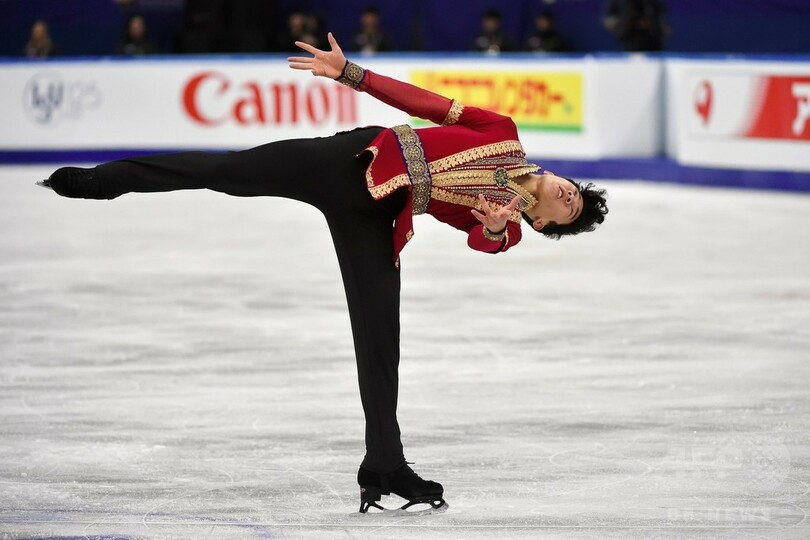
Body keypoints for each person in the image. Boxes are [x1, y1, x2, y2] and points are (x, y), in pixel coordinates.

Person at [37, 32, 608, 513]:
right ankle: (107, 180)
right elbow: (428, 104)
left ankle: (385, 465)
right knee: (230, 171)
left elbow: (488, 243)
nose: (568, 196)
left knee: (380, 340)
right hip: (346, 162)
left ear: (544, 224)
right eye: (574, 192)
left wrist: (491, 226)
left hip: (376, 220)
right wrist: (352, 74)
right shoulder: (502, 132)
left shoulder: (507, 226)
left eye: (569, 211)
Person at [603, 0, 670, 52]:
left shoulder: (654, 2)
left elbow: (664, 25)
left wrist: (651, 24)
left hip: (654, 48)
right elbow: (608, 20)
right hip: (628, 44)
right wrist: (625, 23)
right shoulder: (619, 2)